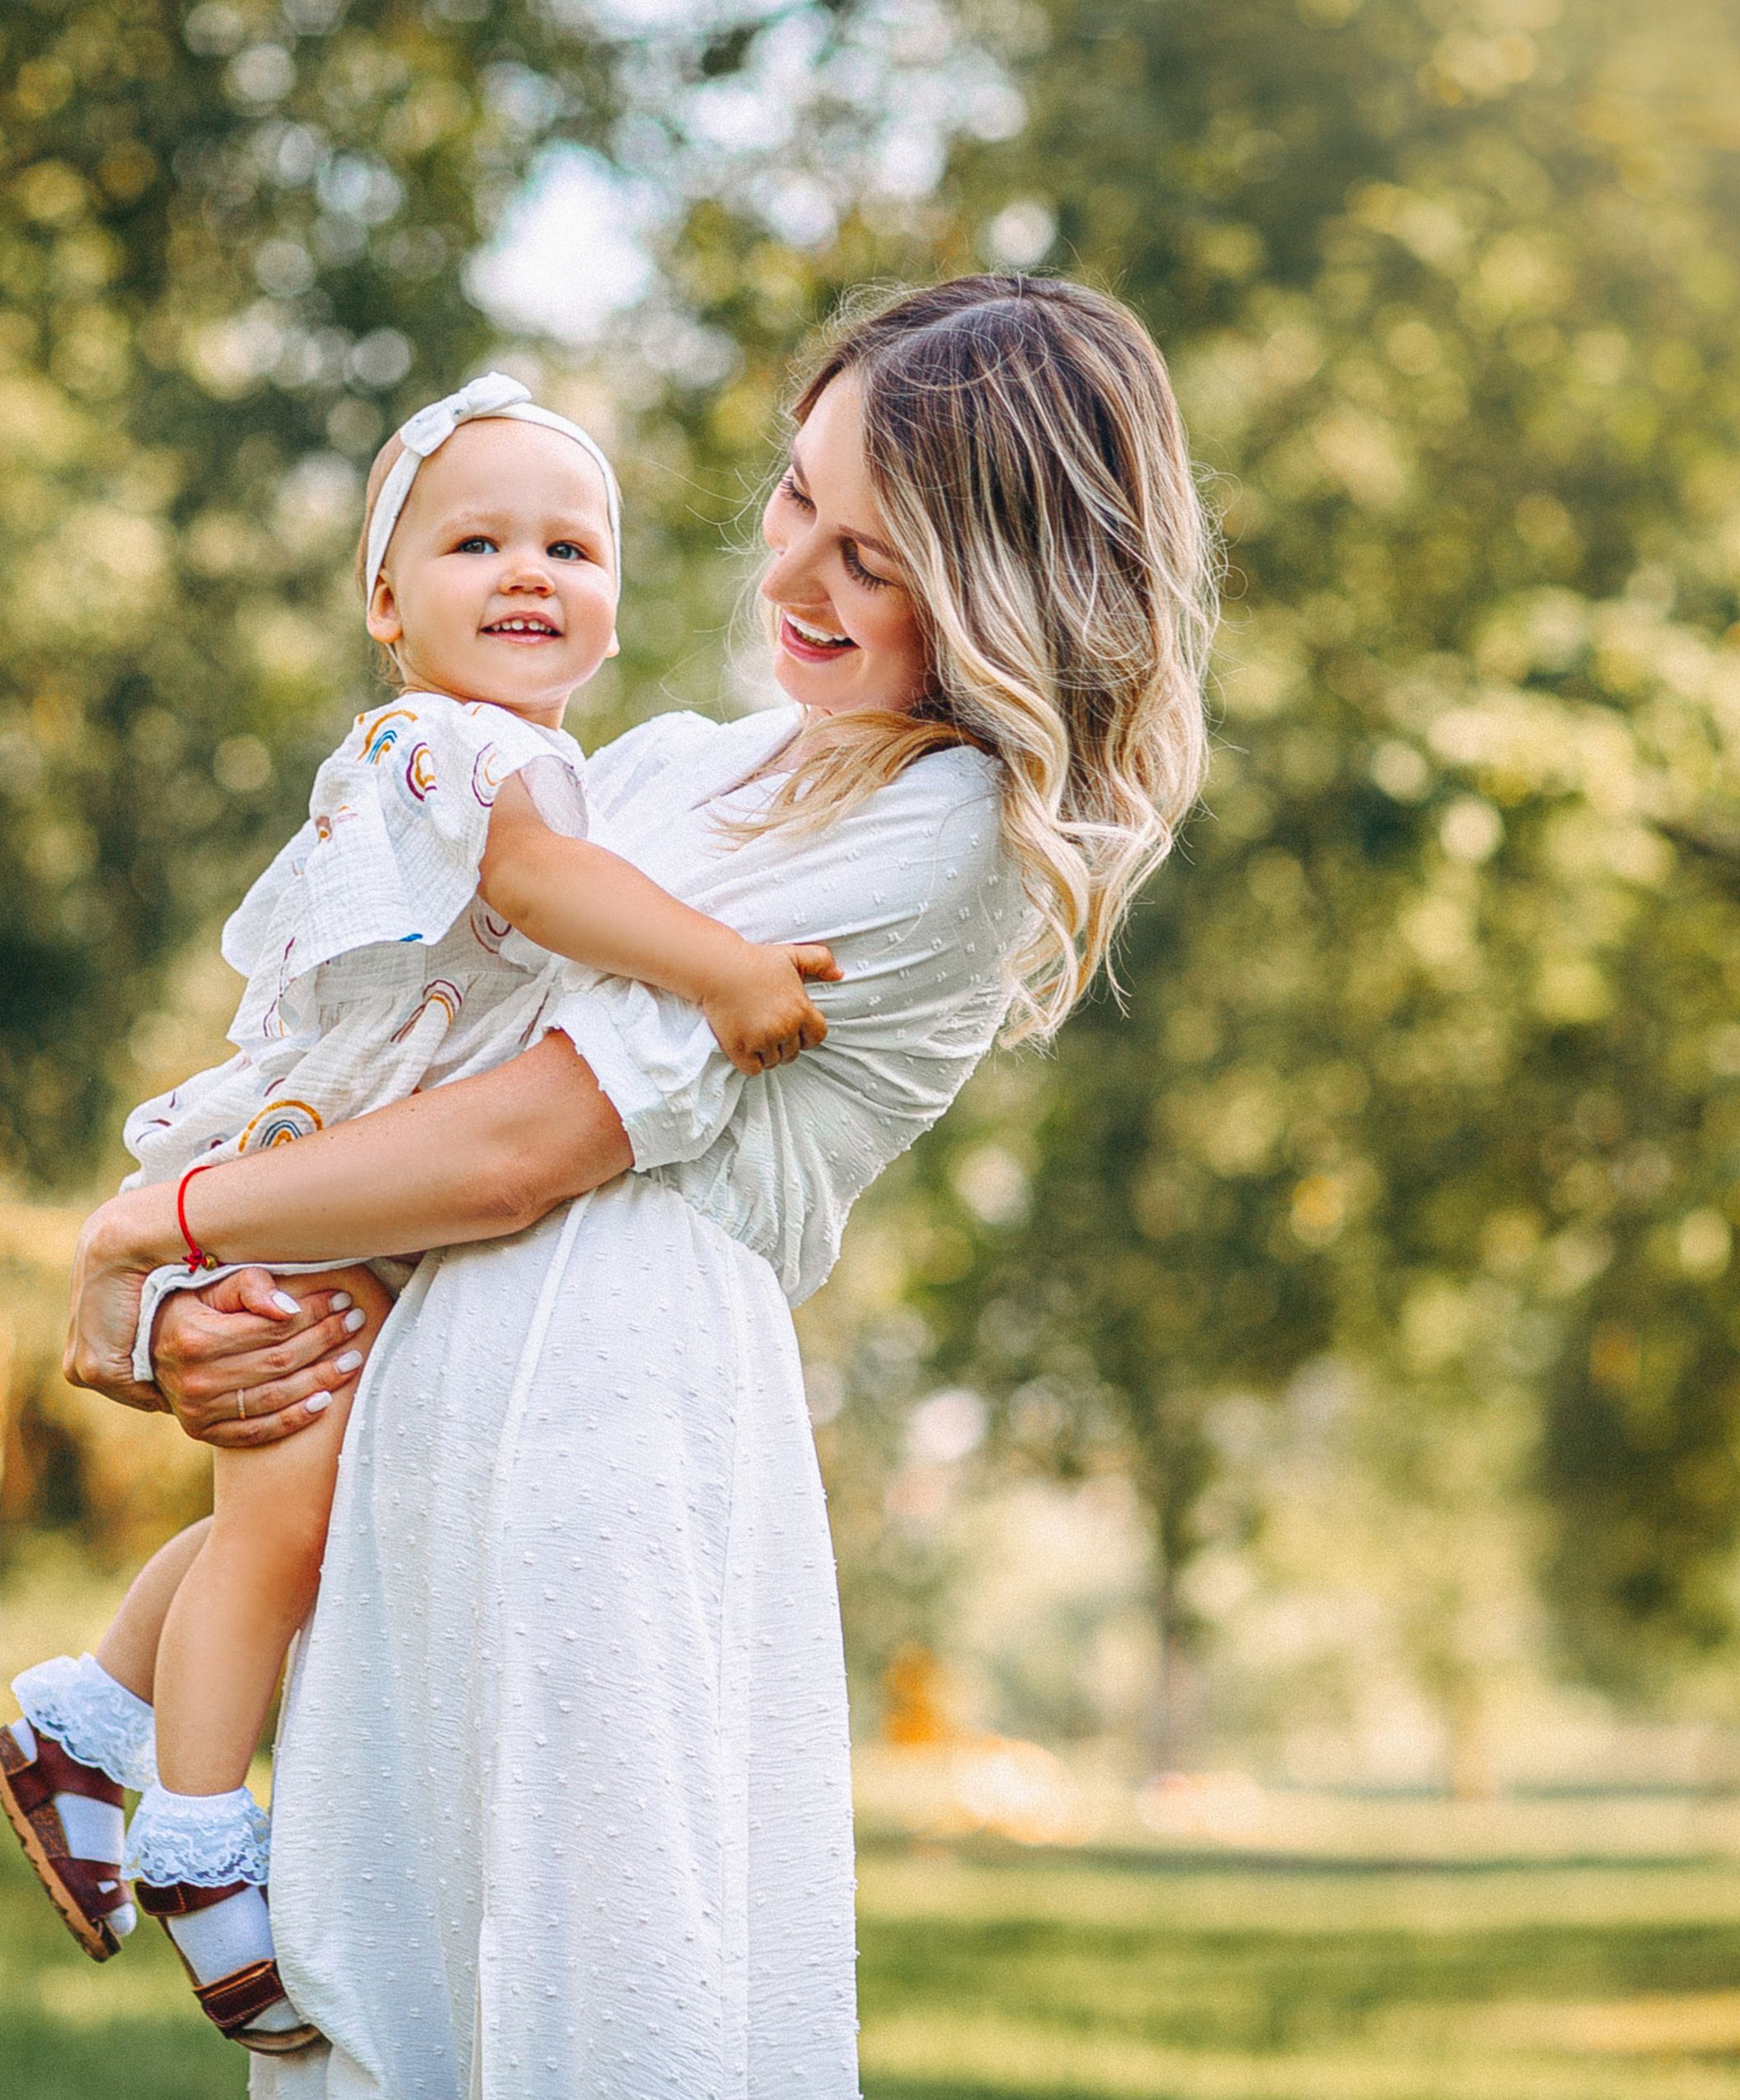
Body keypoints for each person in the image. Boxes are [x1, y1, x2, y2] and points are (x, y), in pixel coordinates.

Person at [64, 275, 1217, 2096]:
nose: (790, 581)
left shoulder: (944, 836)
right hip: (427, 1423)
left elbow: (526, 1141)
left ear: (1012, 583)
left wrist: (160, 1223)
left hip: (609, 1432)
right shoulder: (683, 763)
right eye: (792, 504)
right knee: (393, 1999)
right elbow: (423, 1054)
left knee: (598, 1987)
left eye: (874, 555)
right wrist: (237, 1317)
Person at [0, 375, 839, 2054]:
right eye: (474, 541)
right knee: (289, 1529)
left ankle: (86, 1719)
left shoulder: (554, 755)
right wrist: (720, 965)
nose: (528, 571)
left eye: (569, 544)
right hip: (335, 1168)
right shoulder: (445, 742)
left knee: (301, 1503)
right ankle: (205, 1835)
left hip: (377, 1181)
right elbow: (530, 892)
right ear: (388, 606)